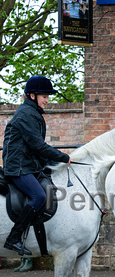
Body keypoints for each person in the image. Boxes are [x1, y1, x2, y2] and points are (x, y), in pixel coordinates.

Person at [2, 75, 71, 257]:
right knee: (39, 196)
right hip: (18, 167)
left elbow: (34, 148)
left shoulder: (32, 113)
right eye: (44, 97)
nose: (47, 101)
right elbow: (38, 146)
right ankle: (14, 238)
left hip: (27, 164)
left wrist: (51, 162)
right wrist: (63, 157)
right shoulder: (27, 115)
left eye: (48, 97)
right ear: (32, 96)